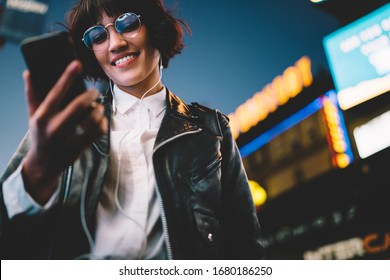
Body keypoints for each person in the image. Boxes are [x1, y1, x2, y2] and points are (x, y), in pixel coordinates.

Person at [0, 0, 265, 260]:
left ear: (155, 27)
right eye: (97, 35)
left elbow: (245, 245)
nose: (115, 43)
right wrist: (35, 175)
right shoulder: (65, 123)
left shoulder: (212, 129)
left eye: (127, 23)